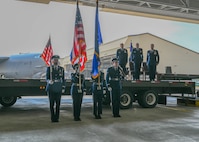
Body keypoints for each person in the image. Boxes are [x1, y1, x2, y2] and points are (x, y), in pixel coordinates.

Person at [46, 55, 65, 123]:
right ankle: (52, 118)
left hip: (58, 87)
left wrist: (63, 87)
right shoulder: (49, 68)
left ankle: (57, 118)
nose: (55, 61)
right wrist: (49, 81)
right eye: (54, 60)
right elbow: (47, 78)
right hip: (51, 88)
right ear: (52, 61)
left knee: (58, 104)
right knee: (51, 104)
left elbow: (63, 79)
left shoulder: (61, 69)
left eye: (57, 60)